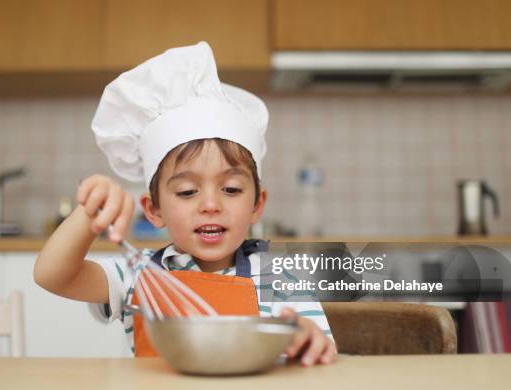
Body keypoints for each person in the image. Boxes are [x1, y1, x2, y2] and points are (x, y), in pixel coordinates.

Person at [34, 42, 336, 366]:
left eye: (231, 189)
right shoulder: (137, 276)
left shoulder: (280, 282)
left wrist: (311, 342)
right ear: (153, 210)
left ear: (257, 205)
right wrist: (90, 213)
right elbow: (52, 276)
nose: (210, 204)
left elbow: (319, 357)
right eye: (187, 192)